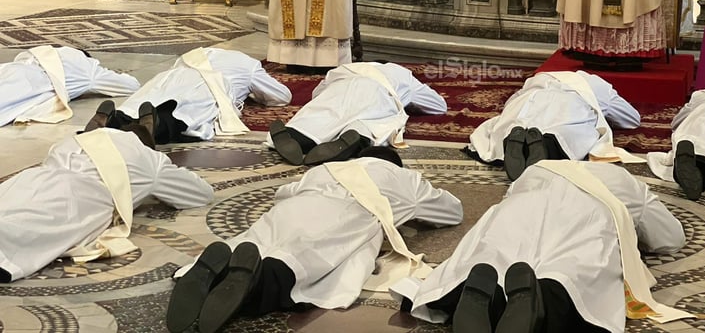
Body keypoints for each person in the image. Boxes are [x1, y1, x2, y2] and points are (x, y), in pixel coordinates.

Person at [165, 146, 463, 333]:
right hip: (344, 216)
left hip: (293, 209)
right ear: (395, 165)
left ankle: (213, 272)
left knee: (257, 241)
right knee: (297, 263)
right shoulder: (405, 180)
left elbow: (283, 193)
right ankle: (254, 285)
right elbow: (452, 211)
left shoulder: (327, 168)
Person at [394, 161, 686, 333]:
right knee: (570, 275)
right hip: (585, 215)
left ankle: (485, 295)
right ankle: (542, 300)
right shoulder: (622, 179)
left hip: (518, 209)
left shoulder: (537, 169)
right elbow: (671, 238)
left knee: (491, 255)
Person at [0, 127, 214, 282]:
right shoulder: (149, 160)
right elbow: (201, 194)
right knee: (27, 223)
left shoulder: (74, 139)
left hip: (30, 180)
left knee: (13, 207)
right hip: (79, 197)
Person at [467, 70, 641, 180]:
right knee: (571, 129)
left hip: (528, 99)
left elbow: (510, 103)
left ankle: (513, 138)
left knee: (517, 119)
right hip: (570, 101)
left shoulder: (540, 77)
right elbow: (632, 119)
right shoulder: (595, 84)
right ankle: (547, 147)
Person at [267, 61, 446, 165]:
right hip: (380, 93)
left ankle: (295, 133)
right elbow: (438, 106)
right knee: (375, 123)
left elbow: (317, 95)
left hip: (341, 85)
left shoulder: (346, 67)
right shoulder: (402, 74)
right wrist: (409, 101)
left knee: (320, 114)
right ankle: (357, 140)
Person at [102, 47, 291, 143]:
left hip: (171, 77)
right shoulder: (249, 64)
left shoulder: (198, 53)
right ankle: (155, 127)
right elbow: (282, 96)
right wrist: (251, 94)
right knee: (182, 112)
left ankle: (114, 119)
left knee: (151, 97)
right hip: (210, 85)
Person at [0, 45, 139, 128]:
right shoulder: (87, 69)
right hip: (33, 82)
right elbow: (131, 86)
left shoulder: (48, 52)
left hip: (11, 68)